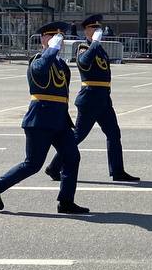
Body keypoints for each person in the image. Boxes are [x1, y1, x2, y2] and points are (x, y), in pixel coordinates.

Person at [0, 21, 88, 214]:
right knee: (33, 164)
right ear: (43, 39)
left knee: (72, 157)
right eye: (52, 36)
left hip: (60, 121)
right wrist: (51, 49)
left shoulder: (61, 65)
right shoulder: (37, 60)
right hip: (40, 120)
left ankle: (66, 201)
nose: (57, 40)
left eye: (59, 37)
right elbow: (40, 70)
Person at [45, 15, 140, 185]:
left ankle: (117, 171)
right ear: (86, 31)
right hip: (90, 99)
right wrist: (95, 43)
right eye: (93, 28)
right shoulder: (83, 48)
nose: (97, 31)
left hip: (103, 98)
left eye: (98, 28)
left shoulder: (99, 49)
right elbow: (83, 62)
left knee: (114, 134)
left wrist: (96, 45)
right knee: (77, 136)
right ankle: (54, 167)